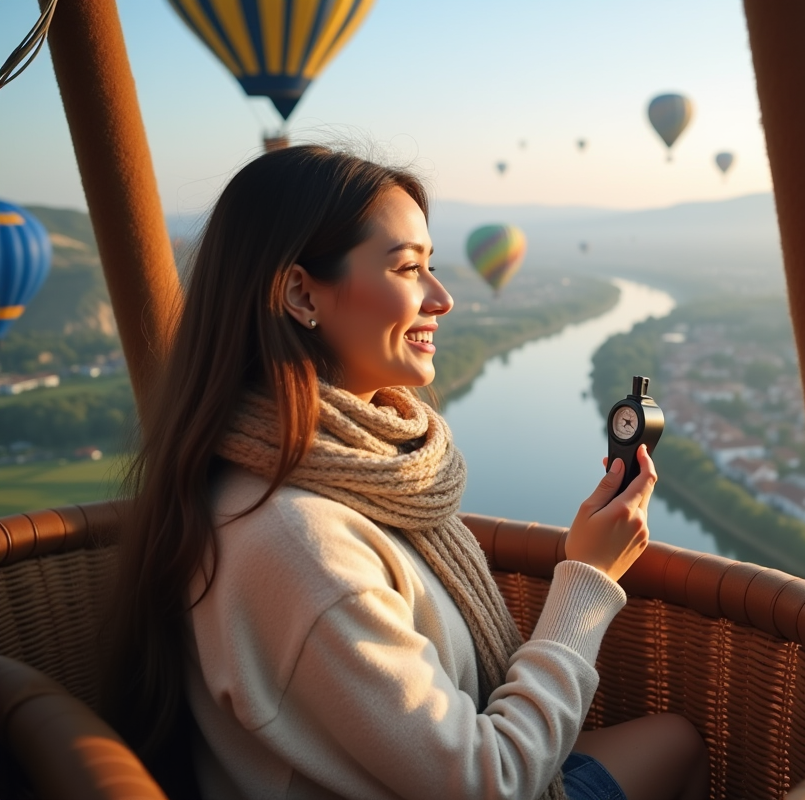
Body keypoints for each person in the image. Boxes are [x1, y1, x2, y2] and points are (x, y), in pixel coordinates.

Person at [107, 145, 709, 800]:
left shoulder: (289, 480)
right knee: (677, 747)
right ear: (301, 293)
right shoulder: (301, 544)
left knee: (672, 739)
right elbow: (490, 784)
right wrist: (586, 581)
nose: (442, 297)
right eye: (408, 268)